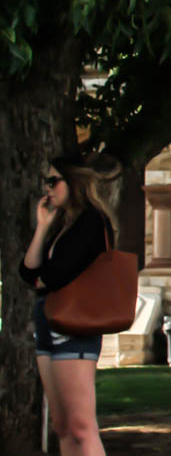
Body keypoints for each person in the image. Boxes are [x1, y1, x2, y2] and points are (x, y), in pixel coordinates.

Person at [20, 154, 119, 456]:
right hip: (49, 321)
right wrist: (42, 227)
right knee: (62, 426)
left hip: (75, 324)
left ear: (73, 182)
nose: (47, 188)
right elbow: (29, 273)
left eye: (53, 181)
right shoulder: (64, 224)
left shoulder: (91, 221)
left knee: (81, 426)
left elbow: (52, 275)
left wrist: (44, 279)